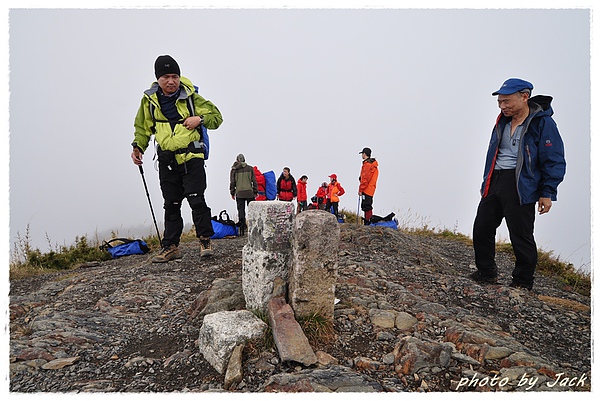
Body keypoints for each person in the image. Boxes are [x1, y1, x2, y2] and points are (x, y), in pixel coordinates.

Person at [471, 78, 566, 290]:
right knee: (482, 228)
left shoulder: (543, 123)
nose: (503, 106)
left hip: (521, 184)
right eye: (500, 102)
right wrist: (487, 181)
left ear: (525, 97)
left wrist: (547, 192)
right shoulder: (502, 121)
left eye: (507, 101)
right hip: (495, 181)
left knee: (520, 235)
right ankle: (486, 273)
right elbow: (493, 154)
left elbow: (554, 159)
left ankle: (523, 282)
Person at [131, 55, 223, 263]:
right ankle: (171, 246)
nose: (171, 81)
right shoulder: (149, 101)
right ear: (158, 79)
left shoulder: (191, 97)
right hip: (166, 159)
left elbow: (217, 117)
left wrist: (199, 119)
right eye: (166, 77)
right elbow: (143, 128)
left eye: (175, 76)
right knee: (171, 203)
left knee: (196, 199)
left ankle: (205, 241)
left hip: (191, 156)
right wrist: (138, 146)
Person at [229, 154, 257, 236]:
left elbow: (232, 182)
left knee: (241, 210)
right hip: (249, 192)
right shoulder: (250, 168)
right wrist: (255, 191)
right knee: (252, 210)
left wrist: (232, 192)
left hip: (239, 193)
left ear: (237, 160)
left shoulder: (234, 170)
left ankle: (242, 227)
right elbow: (254, 181)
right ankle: (253, 227)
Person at [358, 147, 379, 225]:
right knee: (367, 205)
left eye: (362, 154)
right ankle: (369, 221)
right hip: (371, 189)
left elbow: (365, 179)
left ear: (364, 154)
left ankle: (368, 222)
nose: (362, 156)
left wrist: (360, 190)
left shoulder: (367, 165)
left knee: (366, 206)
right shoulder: (372, 165)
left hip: (366, 189)